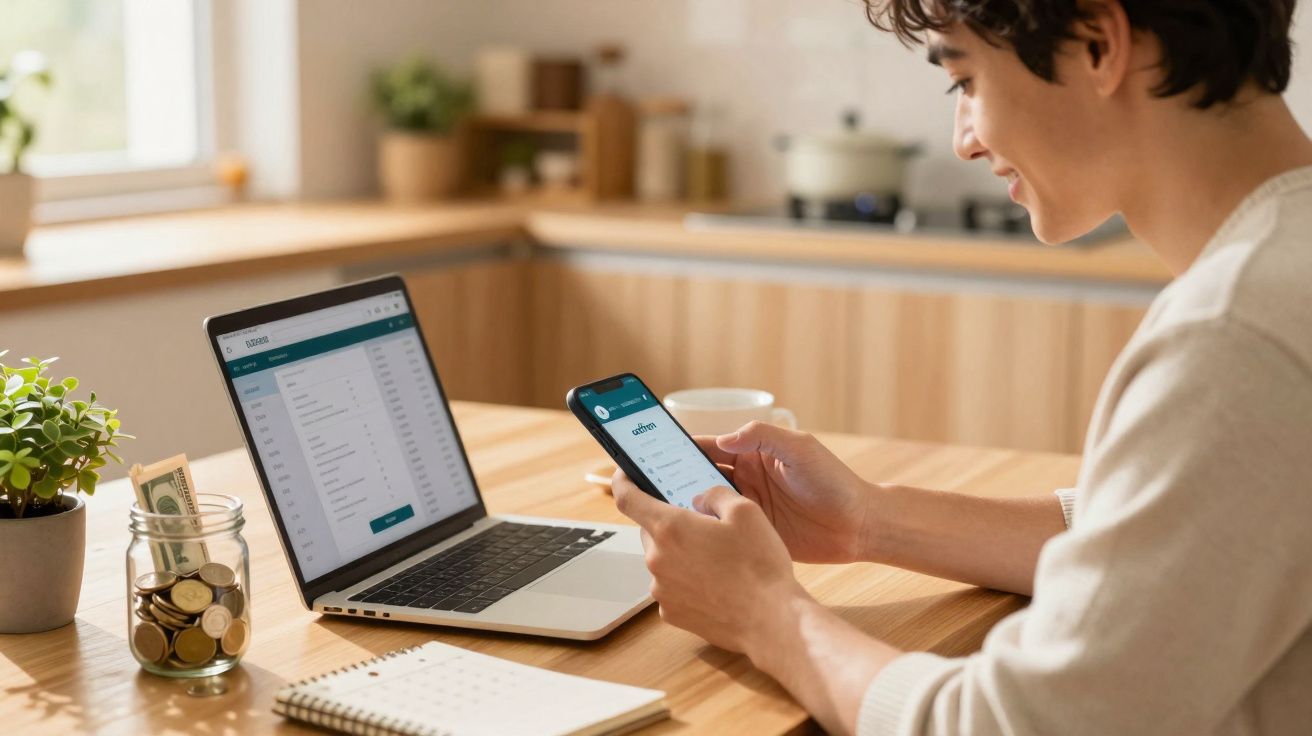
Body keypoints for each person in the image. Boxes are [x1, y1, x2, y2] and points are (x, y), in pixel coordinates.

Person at [608, 1, 1312, 734]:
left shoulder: (1236, 338)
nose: (963, 140)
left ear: (1099, 44)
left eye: (965, 81)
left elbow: (1018, 726)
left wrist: (764, 614)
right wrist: (868, 520)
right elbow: (1177, 542)